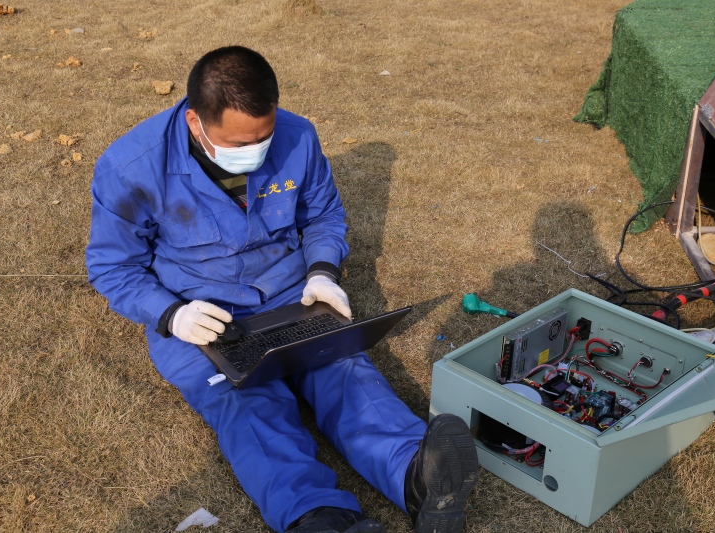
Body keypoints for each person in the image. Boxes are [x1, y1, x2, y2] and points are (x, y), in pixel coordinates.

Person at [85, 46, 478, 533]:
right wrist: (171, 316)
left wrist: (321, 272)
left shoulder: (298, 135)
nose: (257, 153)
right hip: (200, 315)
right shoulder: (131, 167)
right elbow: (112, 267)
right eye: (239, 144)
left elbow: (324, 216)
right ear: (194, 122)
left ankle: (415, 477)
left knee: (343, 367)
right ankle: (319, 517)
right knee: (246, 402)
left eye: (265, 137)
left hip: (291, 294)